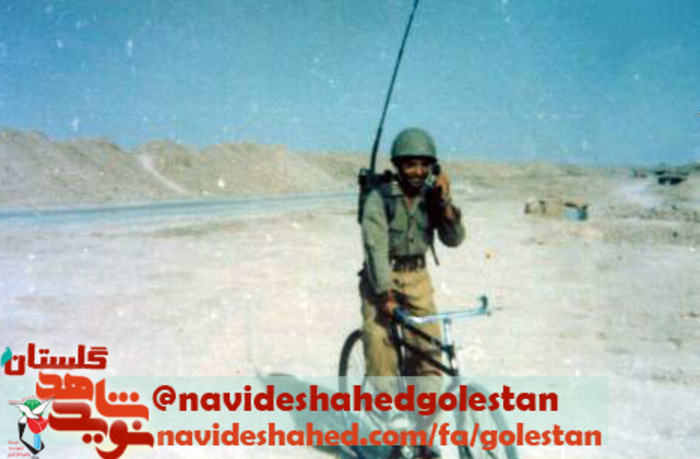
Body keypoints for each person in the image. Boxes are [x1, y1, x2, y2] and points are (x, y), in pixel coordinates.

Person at [359, 127, 465, 458]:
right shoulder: (379, 199)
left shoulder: (432, 196)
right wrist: (385, 294)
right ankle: (391, 425)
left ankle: (423, 437)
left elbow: (454, 239)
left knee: (429, 354)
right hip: (381, 278)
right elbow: (375, 248)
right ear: (398, 165)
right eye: (410, 165)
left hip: (417, 277)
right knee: (381, 345)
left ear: (432, 166)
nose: (417, 172)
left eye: (423, 165)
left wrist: (445, 203)